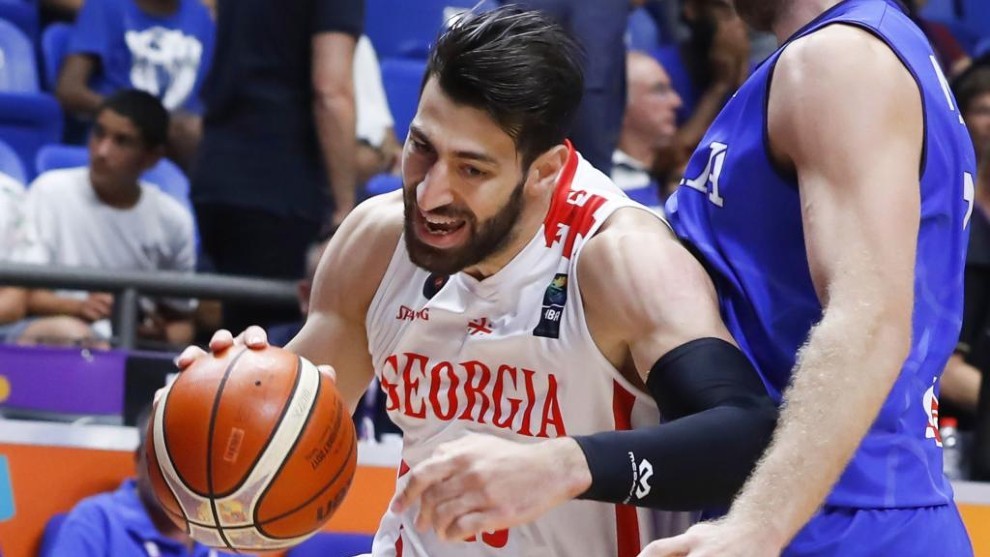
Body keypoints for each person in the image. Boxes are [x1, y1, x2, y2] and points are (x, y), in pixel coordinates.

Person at [176, 7, 778, 556]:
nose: (431, 193)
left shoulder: (618, 259)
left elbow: (747, 433)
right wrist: (213, 408)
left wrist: (565, 466)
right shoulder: (376, 241)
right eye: (422, 148)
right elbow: (279, 453)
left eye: (471, 169)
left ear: (543, 172)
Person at [640, 0, 977, 555]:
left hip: (830, 514)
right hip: (831, 499)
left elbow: (869, 319)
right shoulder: (858, 52)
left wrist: (758, 526)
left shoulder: (839, 59)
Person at [190, 0, 362, 335]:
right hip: (282, 189)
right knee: (269, 357)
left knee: (224, 341)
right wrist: (345, 206)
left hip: (216, 175)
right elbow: (331, 91)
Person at [14, 90, 197, 348]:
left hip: (133, 346)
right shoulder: (49, 191)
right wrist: (79, 307)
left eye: (122, 141)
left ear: (151, 157)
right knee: (73, 334)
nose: (102, 151)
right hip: (54, 332)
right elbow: (23, 297)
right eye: (99, 133)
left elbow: (183, 324)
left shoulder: (174, 221)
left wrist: (160, 336)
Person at [48, 405, 234, 556]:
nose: (175, 474)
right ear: (139, 458)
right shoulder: (96, 521)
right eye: (163, 456)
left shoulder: (230, 535)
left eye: (190, 458)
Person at [56, 0, 214, 166]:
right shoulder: (105, 5)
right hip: (120, 137)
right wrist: (153, 121)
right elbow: (69, 91)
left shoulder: (200, 15)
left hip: (186, 139)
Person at [611, 51, 683, 213]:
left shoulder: (673, 174)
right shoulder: (607, 187)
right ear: (620, 103)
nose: (676, 102)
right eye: (660, 91)